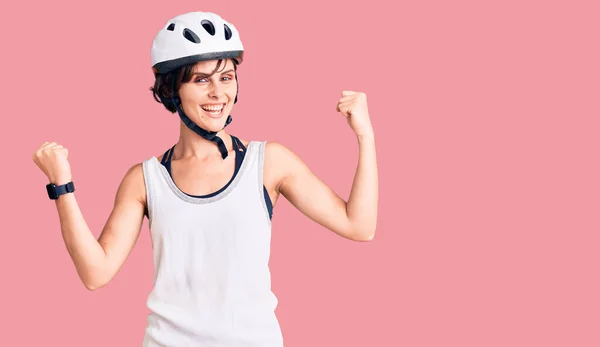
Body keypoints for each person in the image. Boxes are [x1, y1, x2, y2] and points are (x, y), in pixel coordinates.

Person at [32, 11, 378, 347]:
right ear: (172, 91)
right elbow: (96, 274)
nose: (218, 93)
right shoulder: (145, 179)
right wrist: (62, 186)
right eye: (201, 80)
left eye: (226, 77)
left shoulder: (268, 162)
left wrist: (365, 135)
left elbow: (358, 226)